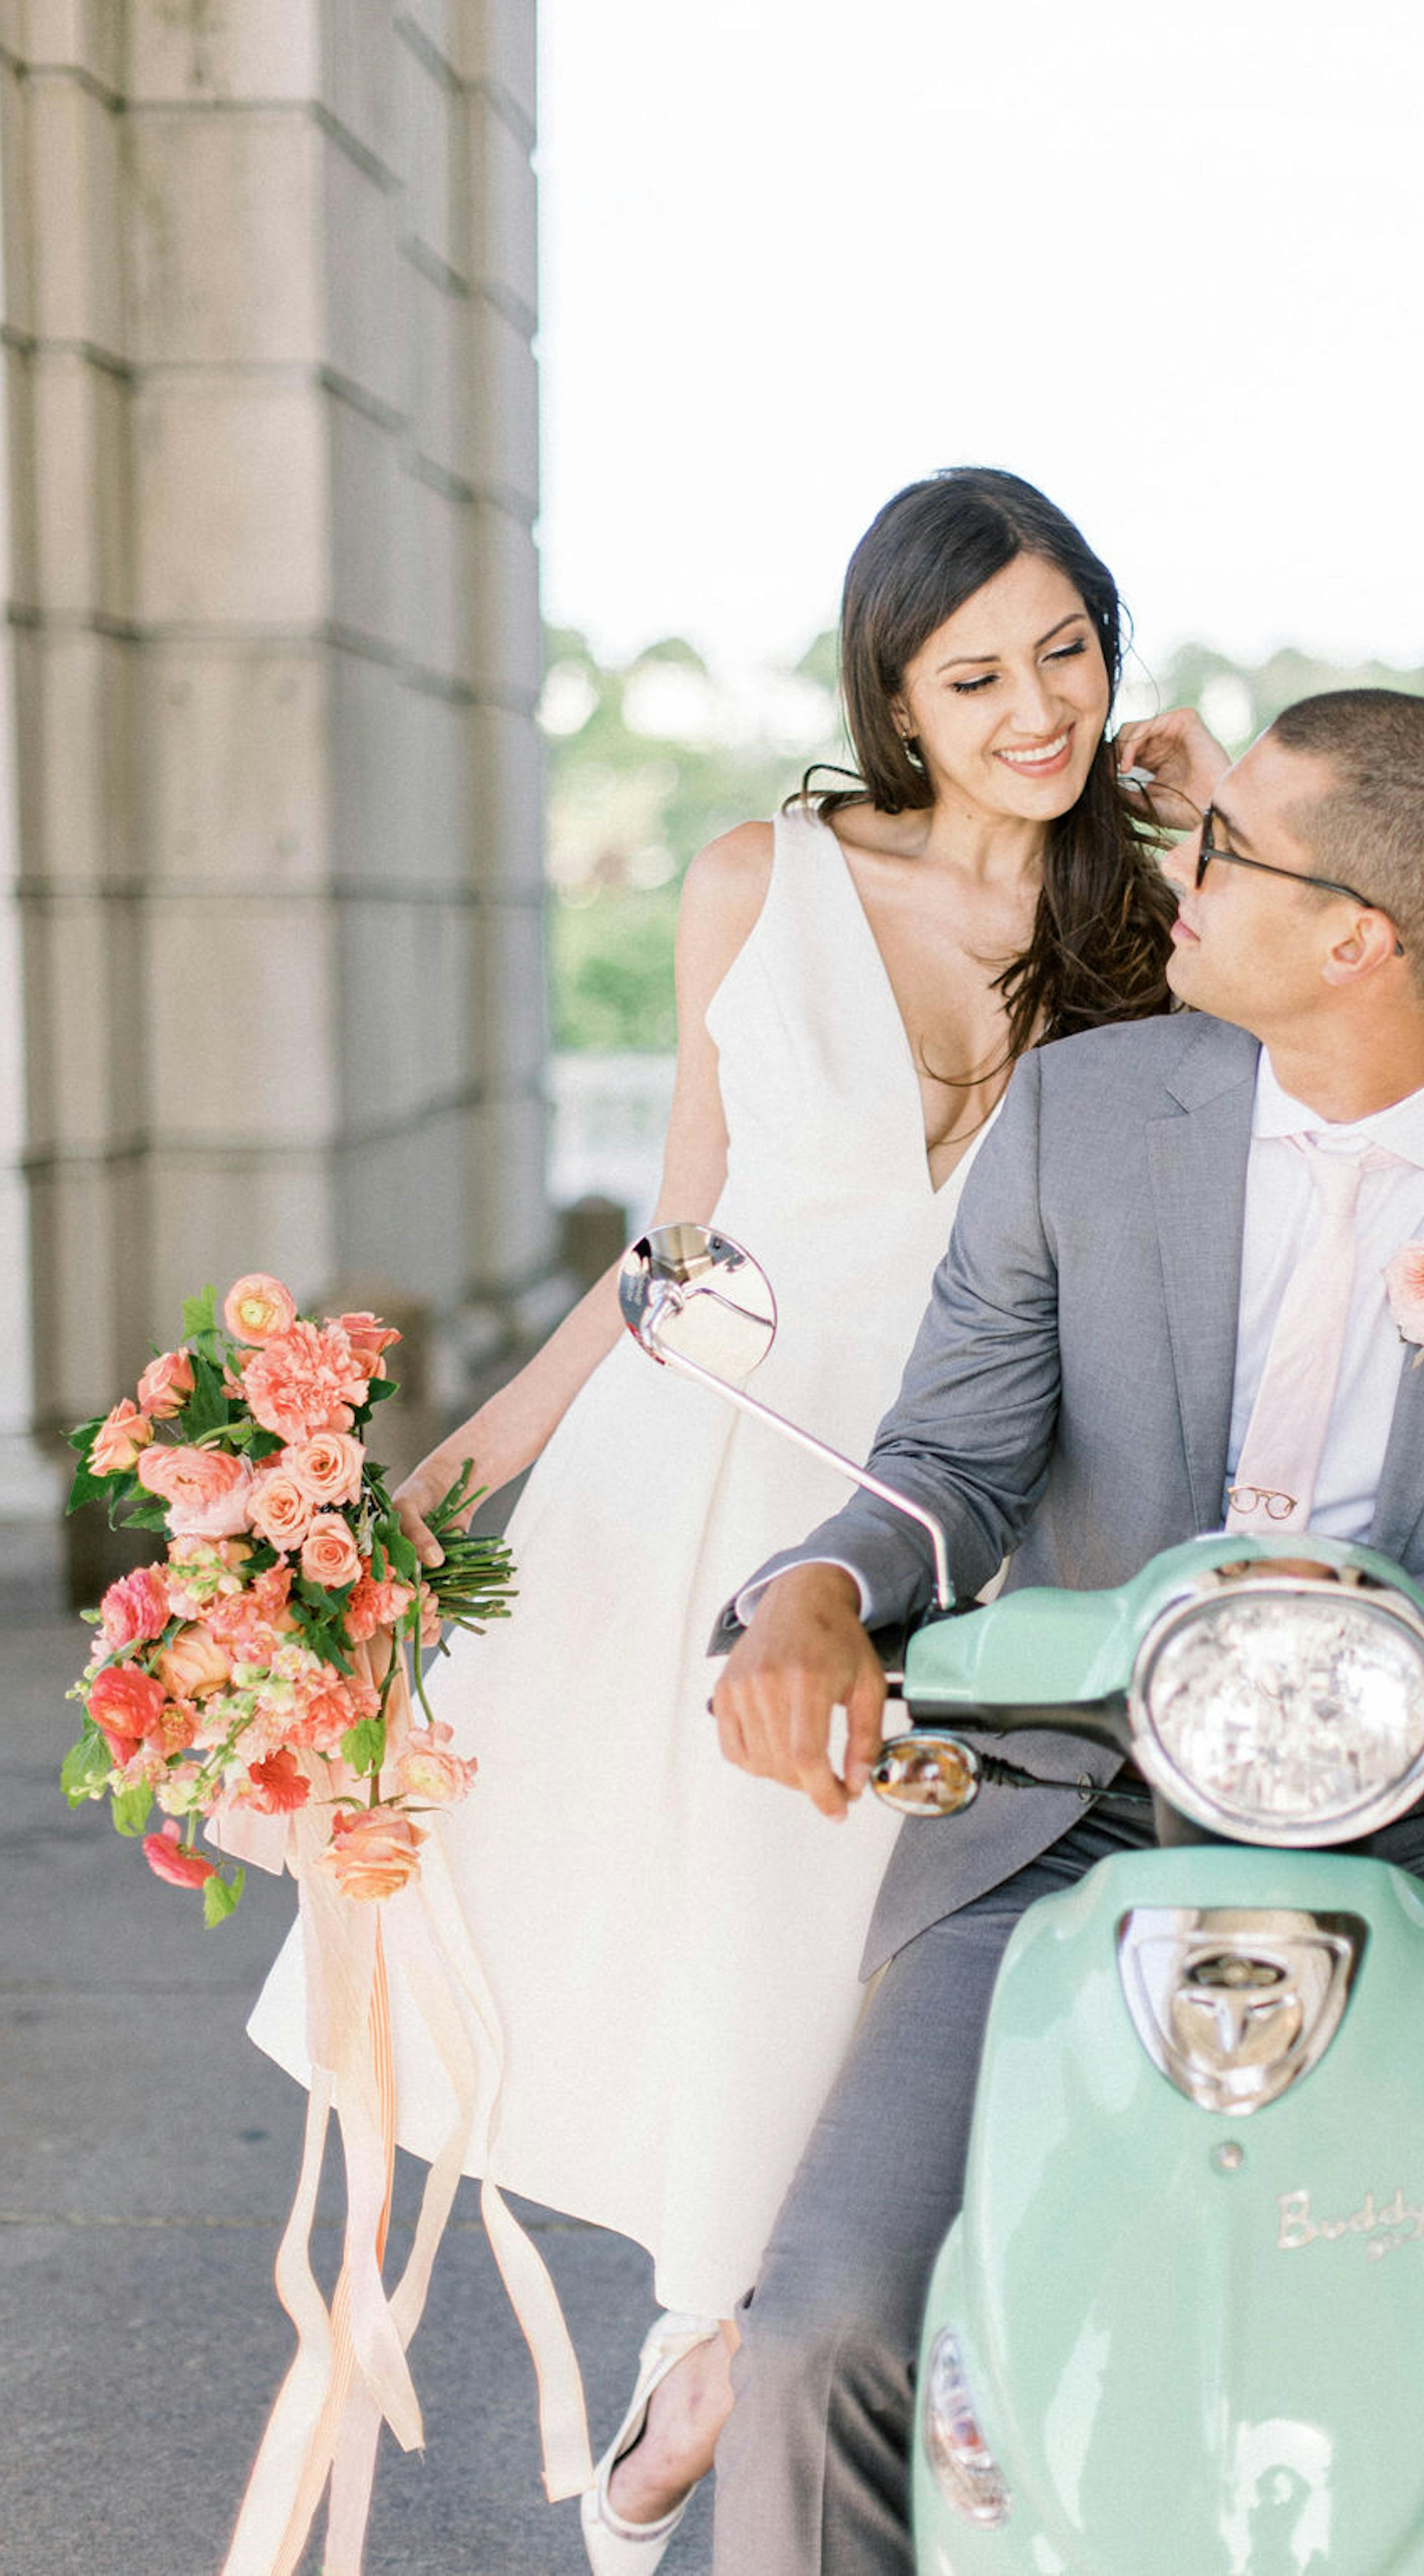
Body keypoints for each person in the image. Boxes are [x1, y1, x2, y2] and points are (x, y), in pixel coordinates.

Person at [246, 466, 1225, 2569]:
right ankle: (715, 2351)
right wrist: (448, 1482)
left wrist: (1212, 814)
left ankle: (721, 2375)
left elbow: (1324, 1064)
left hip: (982, 1511)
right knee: (748, 1960)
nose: (1035, 709)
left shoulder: (1155, 924)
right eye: (974, 675)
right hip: (716, 1477)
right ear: (896, 697)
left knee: (906, 1992)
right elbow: (674, 1245)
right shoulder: (753, 881)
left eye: (1066, 652)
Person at [714, 687, 1424, 2574]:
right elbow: (953, 1457)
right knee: (823, 2331)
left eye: (1230, 846)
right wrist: (819, 1588)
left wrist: (1345, 1632)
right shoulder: (1084, 1111)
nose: (1180, 860)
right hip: (1073, 1799)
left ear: (1357, 941)